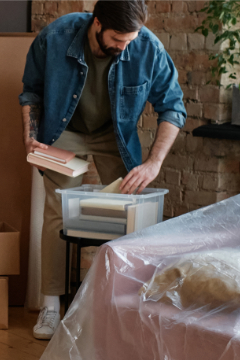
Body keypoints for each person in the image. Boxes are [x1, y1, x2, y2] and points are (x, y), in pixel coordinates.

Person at [20, 0, 186, 340]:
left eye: (130, 40)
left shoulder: (148, 47)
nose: (124, 47)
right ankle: (51, 305)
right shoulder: (56, 36)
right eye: (117, 39)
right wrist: (30, 137)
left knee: (127, 213)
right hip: (63, 129)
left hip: (115, 135)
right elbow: (31, 91)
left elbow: (173, 107)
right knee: (58, 210)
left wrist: (153, 163)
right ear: (97, 24)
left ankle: (122, 303)